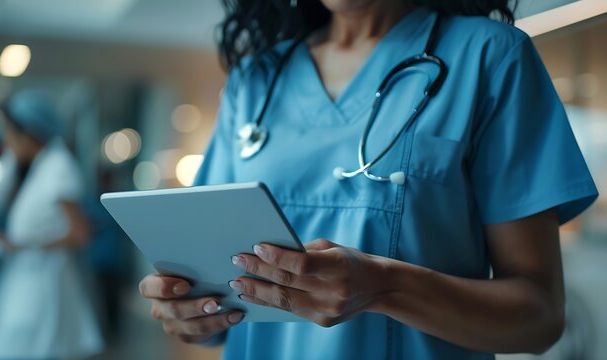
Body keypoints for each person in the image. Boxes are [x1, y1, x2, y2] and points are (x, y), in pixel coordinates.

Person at [139, 1, 599, 359]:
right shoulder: (255, 81)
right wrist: (188, 315)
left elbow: (539, 319)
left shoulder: (490, 56)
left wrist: (384, 287)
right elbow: (217, 305)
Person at [0, 90, 103, 359]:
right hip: (26, 274)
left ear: (29, 132)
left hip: (43, 280)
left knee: (29, 346)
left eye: (10, 133)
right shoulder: (37, 165)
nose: (7, 141)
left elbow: (80, 233)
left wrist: (24, 243)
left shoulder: (58, 166)